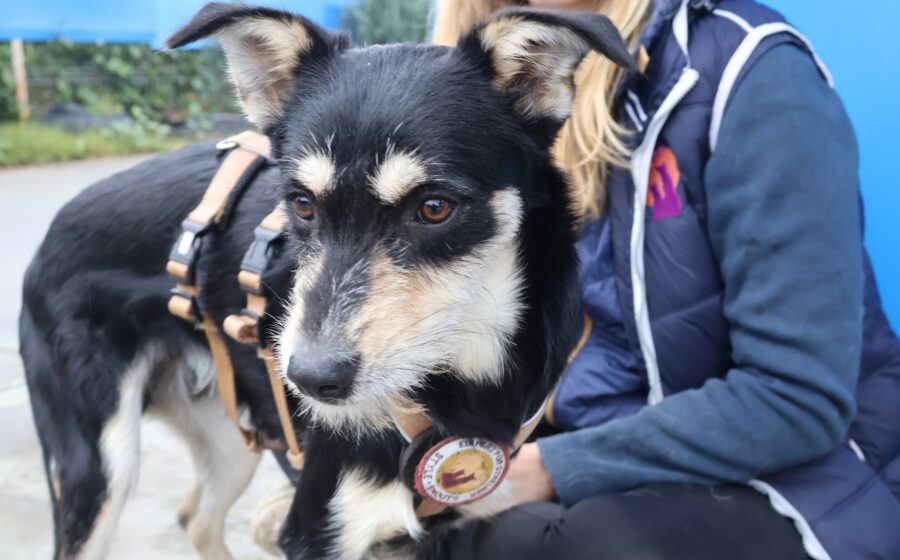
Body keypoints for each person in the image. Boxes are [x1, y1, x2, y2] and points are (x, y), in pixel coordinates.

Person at [427, 0, 900, 559]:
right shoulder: (464, 93)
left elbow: (798, 396)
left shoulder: (752, 70)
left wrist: (547, 468)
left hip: (812, 473)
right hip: (586, 439)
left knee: (586, 544)